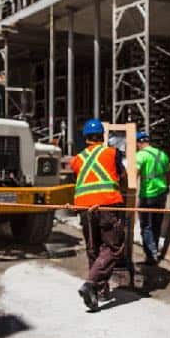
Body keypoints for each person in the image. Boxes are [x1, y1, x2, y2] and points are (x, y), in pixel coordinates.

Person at [71, 118, 126, 311]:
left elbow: (80, 180)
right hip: (106, 204)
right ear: (103, 136)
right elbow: (122, 175)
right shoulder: (112, 153)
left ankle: (99, 293)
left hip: (85, 208)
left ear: (85, 137)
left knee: (93, 248)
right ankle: (90, 284)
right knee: (113, 247)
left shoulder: (77, 159)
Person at [135, 131, 170, 265]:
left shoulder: (140, 155)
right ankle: (155, 250)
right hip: (161, 195)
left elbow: (135, 174)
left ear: (139, 143)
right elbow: (168, 174)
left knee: (146, 226)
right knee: (156, 224)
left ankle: (151, 255)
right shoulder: (162, 155)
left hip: (147, 195)